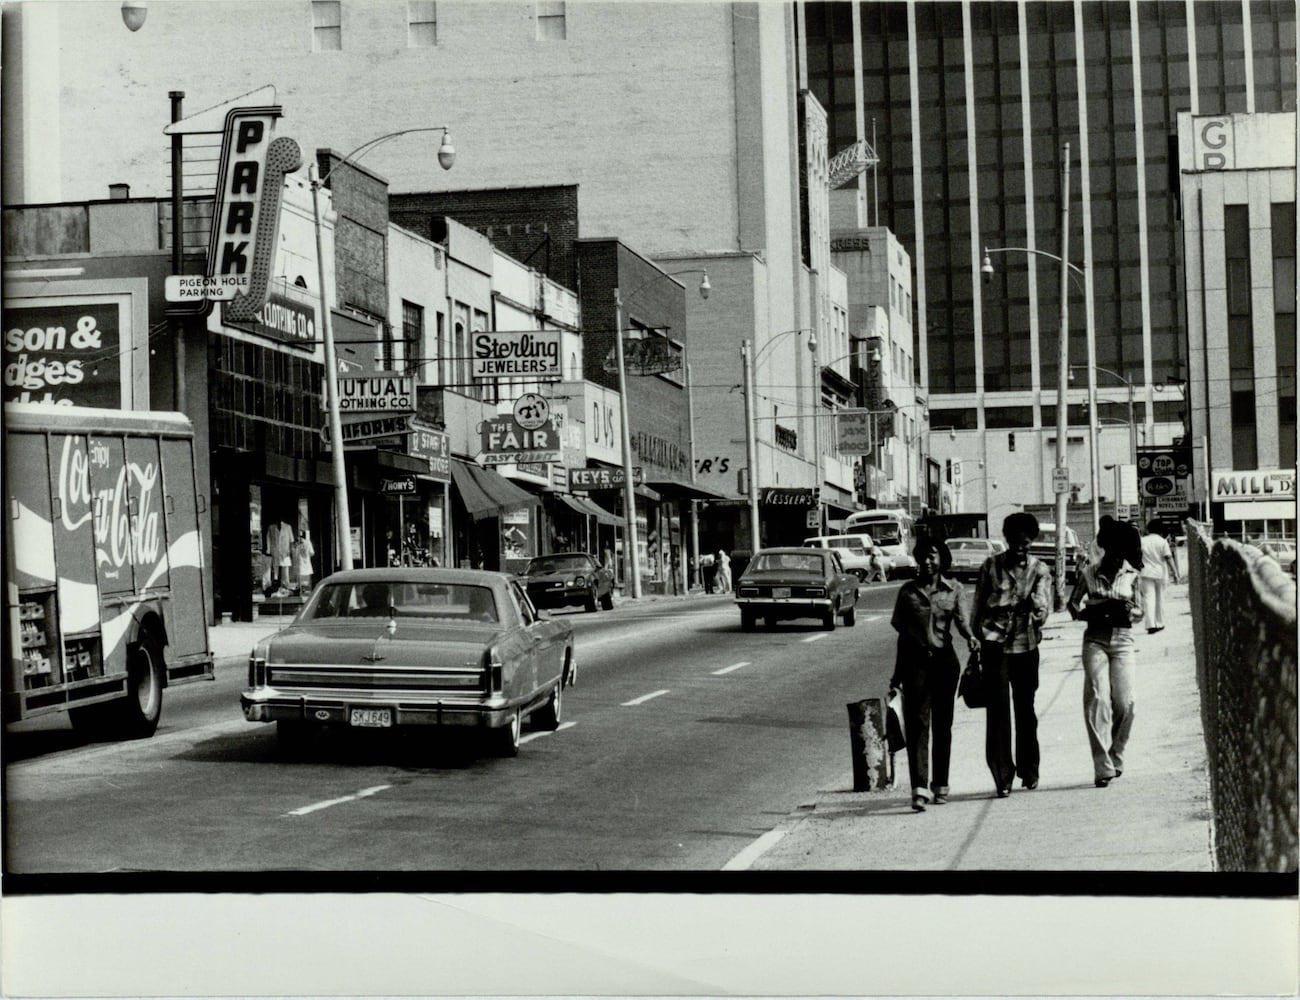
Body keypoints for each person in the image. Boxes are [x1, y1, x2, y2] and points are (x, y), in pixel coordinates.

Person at [888, 537, 980, 812]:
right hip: (915, 664)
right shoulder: (907, 592)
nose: (927, 561)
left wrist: (972, 638)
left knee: (943, 725)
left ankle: (941, 784)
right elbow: (902, 635)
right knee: (917, 724)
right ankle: (918, 788)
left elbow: (963, 623)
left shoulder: (955, 590)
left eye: (932, 556)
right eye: (922, 556)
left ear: (942, 559)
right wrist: (896, 675)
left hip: (944, 663)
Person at [970, 511, 1054, 798]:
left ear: (1032, 541)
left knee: (1025, 710)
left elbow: (1044, 611)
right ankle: (1002, 775)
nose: (1021, 547)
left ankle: (1029, 769)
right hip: (994, 642)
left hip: (1026, 644)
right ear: (1007, 540)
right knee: (998, 711)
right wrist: (975, 638)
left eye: (1026, 543)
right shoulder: (990, 567)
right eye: (1016, 542)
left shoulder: (1040, 569)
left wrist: (1036, 607)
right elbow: (978, 605)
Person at [1067, 517, 1144, 788]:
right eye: (1111, 549)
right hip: (1095, 640)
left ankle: (1117, 754)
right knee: (1097, 698)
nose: (1115, 555)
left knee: (1126, 703)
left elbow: (1140, 611)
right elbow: (1072, 604)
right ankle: (1102, 766)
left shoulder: (1133, 576)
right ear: (1105, 547)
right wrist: (1090, 611)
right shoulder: (1089, 573)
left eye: (1120, 551)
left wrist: (1128, 611)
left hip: (1123, 640)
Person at [1138, 519, 1180, 633]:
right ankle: (1160, 623)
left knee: (1148, 599)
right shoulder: (1162, 541)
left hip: (1145, 573)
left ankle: (1150, 625)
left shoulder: (1142, 541)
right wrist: (1175, 573)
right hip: (1160, 573)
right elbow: (1168, 558)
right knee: (1160, 599)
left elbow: (1137, 557)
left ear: (1149, 529)